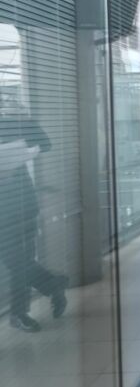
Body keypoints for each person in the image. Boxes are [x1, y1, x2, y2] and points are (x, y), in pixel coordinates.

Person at [0, 116, 68, 332]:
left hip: (20, 204)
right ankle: (52, 284)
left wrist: (23, 152)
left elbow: (45, 144)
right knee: (17, 261)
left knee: (18, 261)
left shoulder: (16, 124)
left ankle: (20, 313)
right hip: (16, 204)